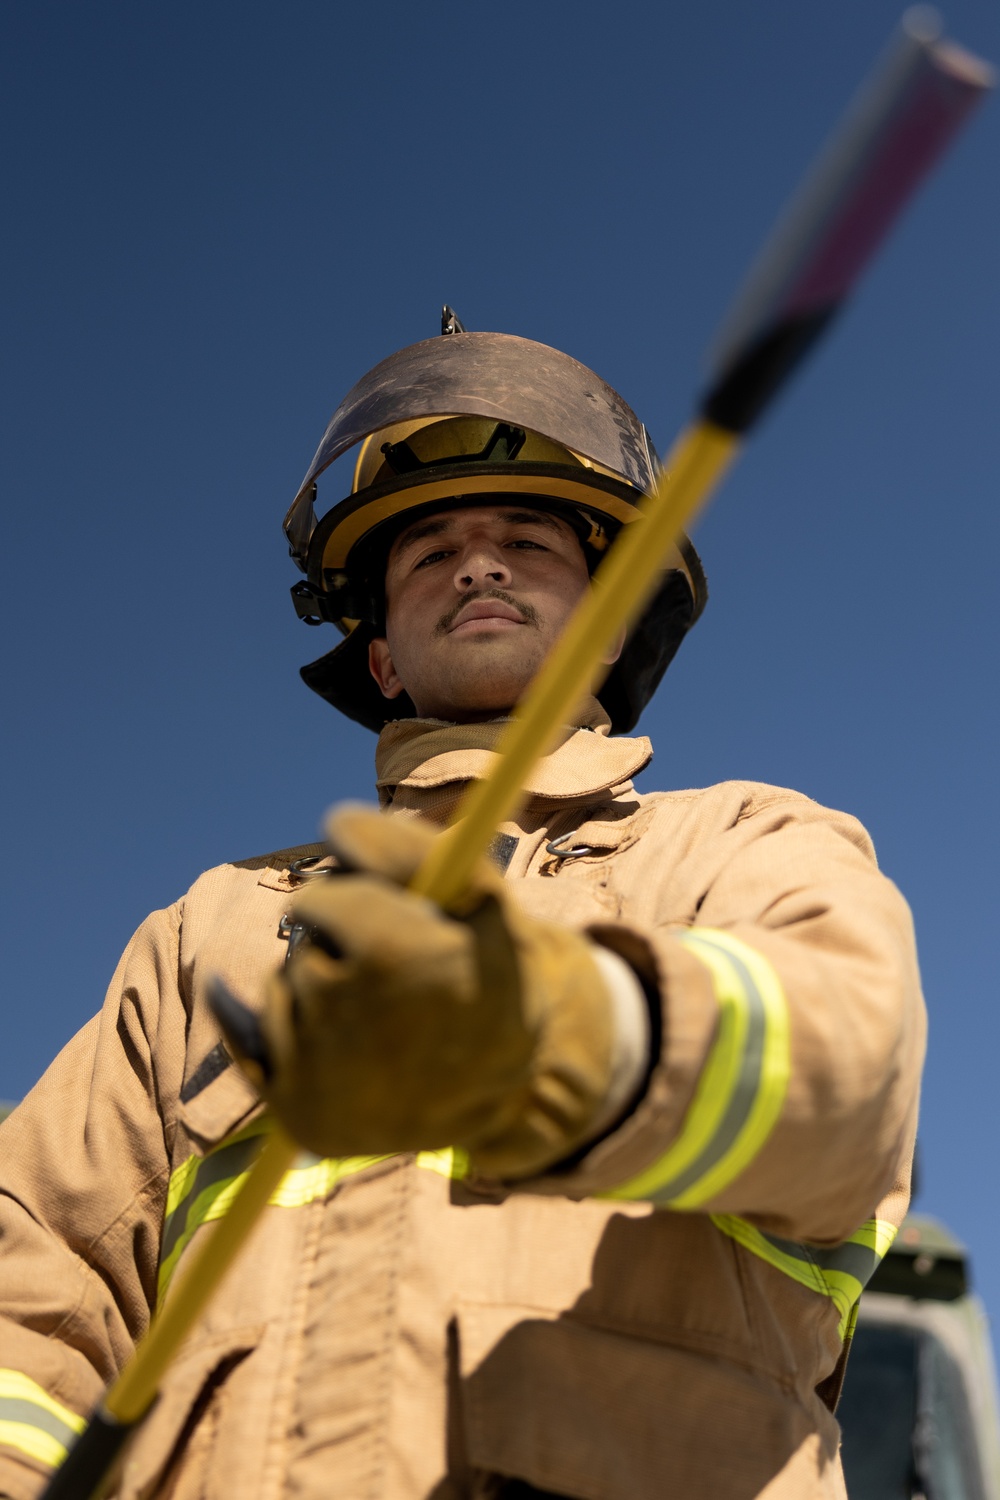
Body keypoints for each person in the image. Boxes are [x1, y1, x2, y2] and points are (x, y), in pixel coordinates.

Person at [0, 324, 925, 1500]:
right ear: (380, 656)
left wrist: (564, 1030)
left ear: (611, 610)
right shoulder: (209, 929)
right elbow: (37, 1285)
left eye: (526, 541)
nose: (477, 565)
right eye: (430, 551)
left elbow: (849, 1076)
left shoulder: (742, 845)